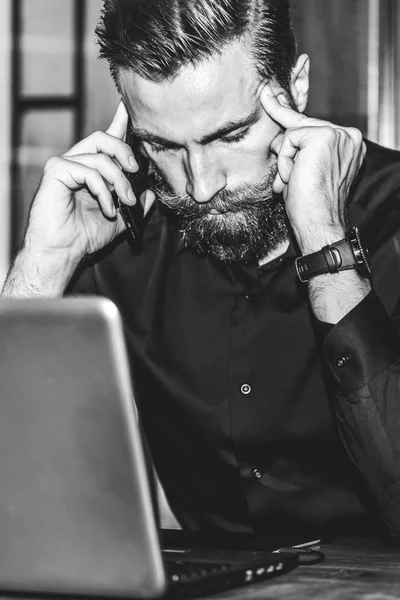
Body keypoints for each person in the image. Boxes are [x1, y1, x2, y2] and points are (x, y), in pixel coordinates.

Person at [4, 0, 400, 541]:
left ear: (296, 88)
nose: (200, 185)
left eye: (230, 136)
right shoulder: (118, 235)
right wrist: (42, 267)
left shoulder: (393, 220)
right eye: (162, 146)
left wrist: (325, 244)